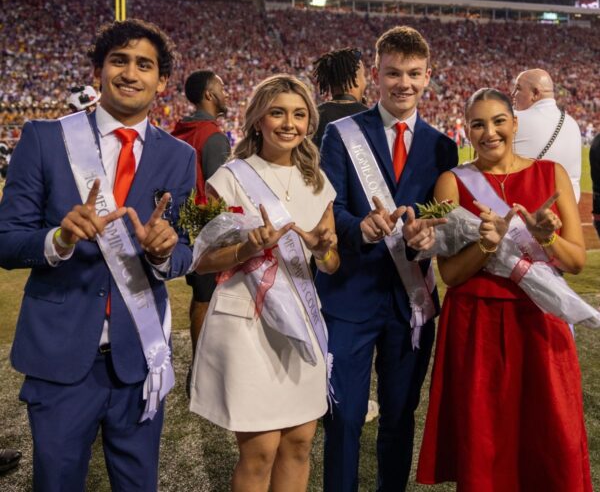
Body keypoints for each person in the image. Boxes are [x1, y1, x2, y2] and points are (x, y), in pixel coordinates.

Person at [0, 19, 196, 491]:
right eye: (119, 61)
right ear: (98, 71)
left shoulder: (179, 156)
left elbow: (187, 251)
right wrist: (59, 240)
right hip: (62, 358)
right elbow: (6, 240)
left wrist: (164, 253)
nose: (131, 73)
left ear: (162, 81)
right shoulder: (46, 138)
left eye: (144, 65)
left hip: (139, 358)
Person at [417, 88, 591, 491]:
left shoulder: (551, 174)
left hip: (540, 318)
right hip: (476, 324)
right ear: (467, 130)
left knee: (550, 439)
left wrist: (546, 238)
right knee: (485, 442)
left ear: (515, 123)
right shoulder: (452, 182)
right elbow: (452, 274)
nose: (489, 132)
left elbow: (576, 262)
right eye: (478, 124)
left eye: (498, 121)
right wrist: (487, 245)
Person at [317, 25, 458, 492]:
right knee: (345, 418)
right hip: (349, 298)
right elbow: (327, 208)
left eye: (414, 74)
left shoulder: (443, 146)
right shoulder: (340, 134)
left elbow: (444, 219)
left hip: (409, 303)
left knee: (399, 416)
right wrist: (359, 227)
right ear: (375, 75)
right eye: (394, 73)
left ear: (428, 76)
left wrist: (423, 238)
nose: (404, 84)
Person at [189, 74, 339, 492]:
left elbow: (330, 263)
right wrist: (246, 249)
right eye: (277, 113)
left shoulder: (318, 182)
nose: (289, 123)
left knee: (299, 444)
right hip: (247, 327)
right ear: (258, 120)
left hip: (301, 326)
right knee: (259, 452)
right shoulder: (230, 177)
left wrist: (323, 247)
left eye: (298, 113)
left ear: (310, 122)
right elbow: (201, 261)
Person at [171, 70, 231, 371]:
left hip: (186, 228)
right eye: (221, 87)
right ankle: (204, 367)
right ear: (209, 94)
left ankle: (200, 362)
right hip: (210, 230)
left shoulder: (180, 130)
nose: (226, 92)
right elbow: (220, 191)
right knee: (209, 298)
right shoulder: (213, 136)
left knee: (201, 296)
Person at [512, 68, 582, 201]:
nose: (513, 94)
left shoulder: (514, 120)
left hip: (527, 210)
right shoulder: (572, 123)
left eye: (518, 89)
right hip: (567, 209)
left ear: (535, 93)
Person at [311, 47, 368, 148]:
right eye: (363, 76)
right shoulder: (371, 118)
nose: (365, 82)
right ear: (355, 79)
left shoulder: (314, 116)